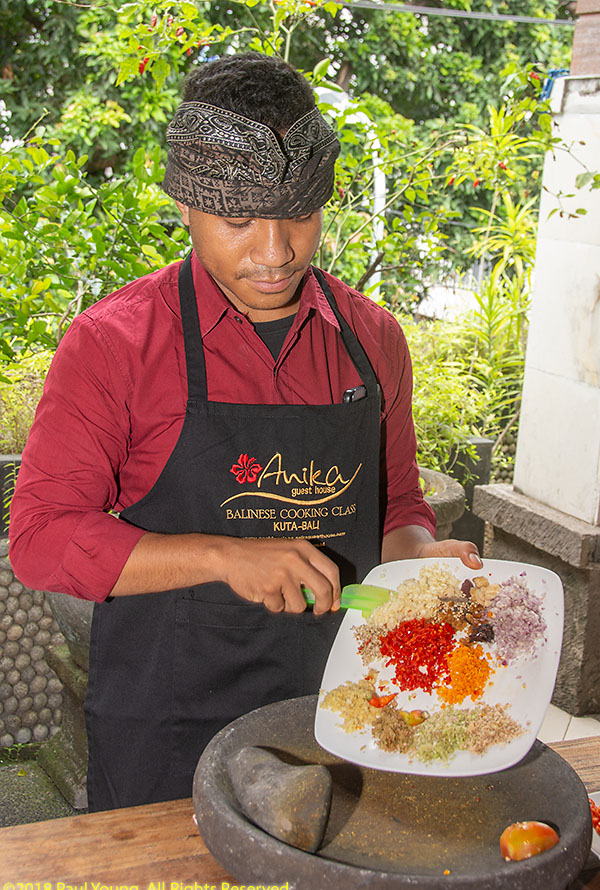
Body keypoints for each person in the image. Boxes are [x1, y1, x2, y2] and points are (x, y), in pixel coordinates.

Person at [9, 52, 482, 812]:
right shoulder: (115, 345)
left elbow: (395, 505)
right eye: (239, 221)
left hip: (343, 711)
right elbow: (41, 539)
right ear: (186, 205)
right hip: (172, 727)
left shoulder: (373, 340)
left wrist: (417, 557)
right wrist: (225, 556)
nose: (275, 252)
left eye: (300, 214)